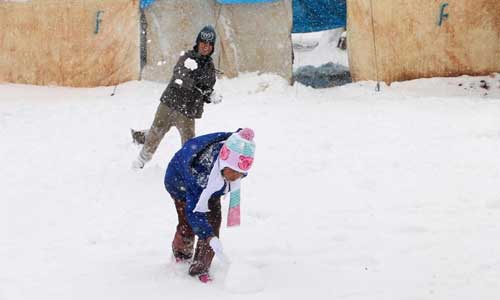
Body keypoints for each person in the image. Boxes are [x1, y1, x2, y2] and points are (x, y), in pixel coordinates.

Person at [164, 128, 256, 283]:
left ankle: (201, 266)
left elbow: (234, 168)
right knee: (189, 221)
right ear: (223, 163)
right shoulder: (201, 171)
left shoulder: (239, 157)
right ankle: (182, 254)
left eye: (239, 174)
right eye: (232, 173)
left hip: (212, 186)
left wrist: (211, 235)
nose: (235, 178)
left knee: (213, 223)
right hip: (179, 181)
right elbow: (195, 212)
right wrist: (208, 236)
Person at [132, 25, 221, 169]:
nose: (206, 47)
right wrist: (201, 87)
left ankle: (187, 167)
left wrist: (210, 95)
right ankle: (141, 161)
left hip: (187, 111)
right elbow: (181, 77)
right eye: (203, 42)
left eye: (210, 44)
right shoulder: (187, 58)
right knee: (156, 133)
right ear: (198, 43)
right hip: (169, 104)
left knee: (189, 144)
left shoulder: (210, 67)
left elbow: (206, 89)